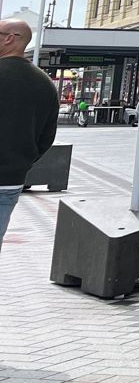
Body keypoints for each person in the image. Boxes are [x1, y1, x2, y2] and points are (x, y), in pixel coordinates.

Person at [0, 19, 58, 253]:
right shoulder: (45, 83)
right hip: (11, 181)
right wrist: (21, 161)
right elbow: (46, 137)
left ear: (9, 38)